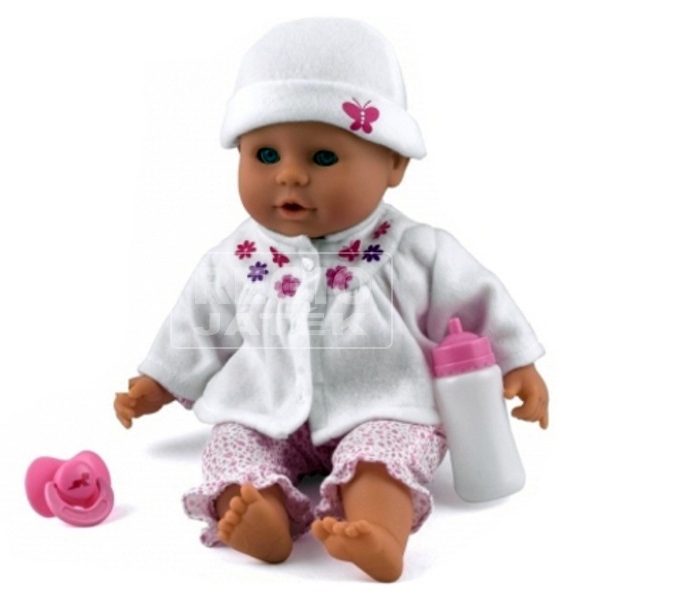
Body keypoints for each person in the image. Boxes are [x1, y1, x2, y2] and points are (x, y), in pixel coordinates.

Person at [114, 18, 548, 583]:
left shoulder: (416, 251)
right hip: (265, 411)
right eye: (265, 155)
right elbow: (199, 325)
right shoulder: (236, 258)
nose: (290, 176)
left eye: (322, 158)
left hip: (383, 406)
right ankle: (260, 517)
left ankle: (379, 532)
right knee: (231, 449)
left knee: (384, 459)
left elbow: (475, 307)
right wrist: (161, 381)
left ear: (393, 163)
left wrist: (516, 364)